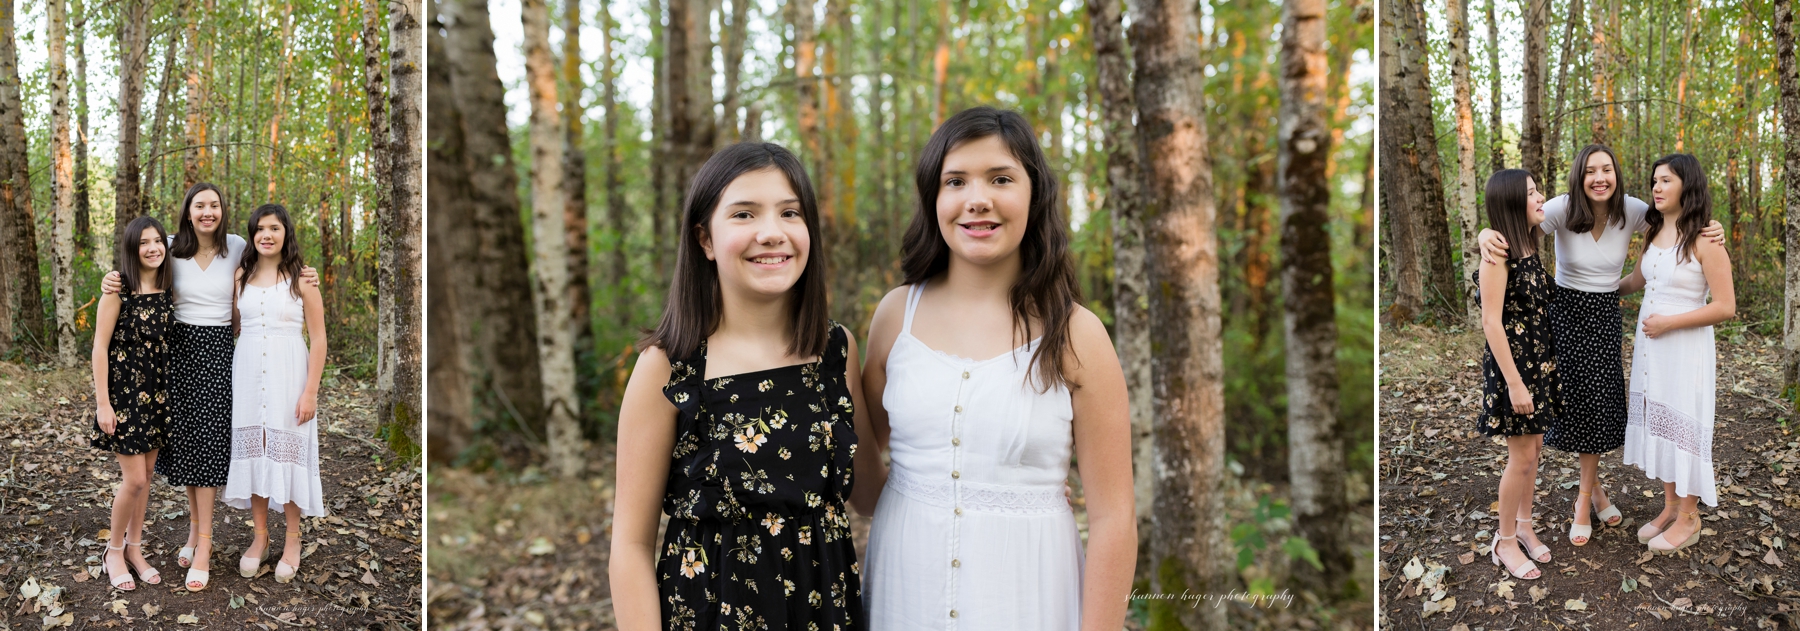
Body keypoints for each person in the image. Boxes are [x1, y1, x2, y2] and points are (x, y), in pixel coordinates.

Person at [859, 107, 1134, 629]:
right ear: (933, 198)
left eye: (1001, 179)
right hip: (904, 590)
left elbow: (1113, 518)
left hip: (1028, 594)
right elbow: (861, 475)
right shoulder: (896, 317)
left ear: (1035, 194)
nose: (977, 198)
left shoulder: (1077, 334)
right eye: (955, 181)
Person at [608, 142, 885, 630]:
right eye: (744, 214)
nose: (772, 232)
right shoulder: (669, 366)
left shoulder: (835, 350)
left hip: (822, 610)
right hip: (713, 614)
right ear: (705, 240)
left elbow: (868, 494)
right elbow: (630, 545)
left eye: (790, 213)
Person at [1618, 154, 1734, 553]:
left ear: (1688, 184)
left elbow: (1725, 306)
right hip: (1652, 350)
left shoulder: (1705, 238)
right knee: (1661, 423)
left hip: (1685, 347)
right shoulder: (1653, 232)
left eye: (1666, 180)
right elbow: (1637, 280)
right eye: (1654, 180)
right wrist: (1594, 289)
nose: (1656, 187)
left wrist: (1669, 323)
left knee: (1683, 424)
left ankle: (1689, 516)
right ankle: (1670, 506)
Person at [221, 204, 329, 582]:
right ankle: (261, 537)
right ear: (251, 235)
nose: (266, 235)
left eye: (274, 228)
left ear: (286, 234)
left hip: (289, 375)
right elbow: (234, 325)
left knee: (288, 453)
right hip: (248, 375)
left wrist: (310, 392)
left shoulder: (303, 279)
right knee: (257, 450)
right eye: (260, 229)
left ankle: (293, 540)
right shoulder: (241, 276)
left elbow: (319, 339)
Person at [1475, 170, 1557, 581]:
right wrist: (1515, 383)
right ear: (1511, 202)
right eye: (1531, 193)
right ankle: (1504, 540)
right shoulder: (1498, 253)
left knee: (1534, 450)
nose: (1541, 197)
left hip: (1538, 365)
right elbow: (1491, 322)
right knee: (1521, 456)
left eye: (1538, 190)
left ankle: (1524, 525)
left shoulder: (1528, 242)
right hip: (1514, 370)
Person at [90, 216, 176, 591]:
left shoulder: (168, 288)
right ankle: (113, 550)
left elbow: (204, 241)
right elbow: (99, 347)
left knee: (147, 477)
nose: (153, 248)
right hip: (124, 396)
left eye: (158, 241)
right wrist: (102, 403)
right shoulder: (117, 289)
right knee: (135, 479)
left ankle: (135, 549)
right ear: (131, 248)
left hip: (158, 395)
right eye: (144, 242)